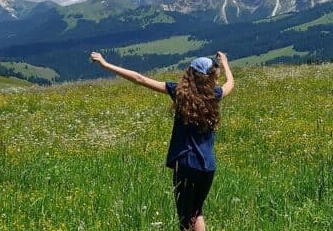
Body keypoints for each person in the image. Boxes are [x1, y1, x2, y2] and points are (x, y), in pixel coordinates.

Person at [90, 50, 234, 231]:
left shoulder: (180, 93)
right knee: (197, 212)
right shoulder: (216, 95)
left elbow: (139, 79)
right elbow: (231, 83)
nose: (218, 80)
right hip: (208, 167)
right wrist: (225, 63)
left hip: (186, 164)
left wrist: (105, 64)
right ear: (210, 79)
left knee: (185, 219)